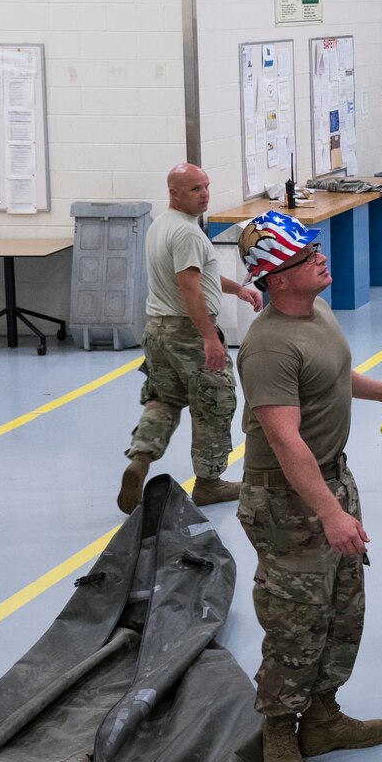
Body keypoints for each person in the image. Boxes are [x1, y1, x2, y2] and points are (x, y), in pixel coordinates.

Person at [234, 210, 382, 762]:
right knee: (295, 619)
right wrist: (329, 513)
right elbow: (283, 440)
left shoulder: (315, 310)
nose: (320, 258)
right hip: (287, 499)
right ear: (276, 279)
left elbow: (330, 374)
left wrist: (378, 389)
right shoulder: (267, 348)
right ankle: (280, 726)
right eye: (306, 256)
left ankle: (324, 717)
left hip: (331, 479)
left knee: (343, 607)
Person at [117, 163, 262, 513]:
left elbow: (202, 277)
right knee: (213, 403)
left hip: (157, 329)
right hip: (187, 333)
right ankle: (210, 484)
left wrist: (236, 290)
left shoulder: (162, 226)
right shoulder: (186, 233)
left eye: (206, 186)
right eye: (196, 189)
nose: (205, 194)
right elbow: (190, 288)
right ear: (174, 193)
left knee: (164, 400)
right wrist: (209, 339)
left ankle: (141, 456)